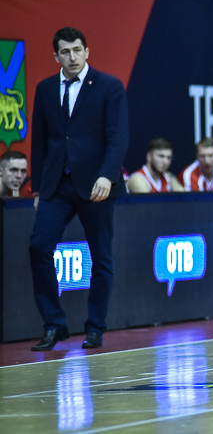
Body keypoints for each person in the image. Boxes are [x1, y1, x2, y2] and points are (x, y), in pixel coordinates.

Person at [29, 27, 129, 351]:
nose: (72, 57)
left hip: (96, 184)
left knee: (101, 257)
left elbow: (118, 137)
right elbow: (40, 141)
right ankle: (54, 324)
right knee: (38, 246)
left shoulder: (109, 86)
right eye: (65, 52)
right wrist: (37, 188)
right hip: (56, 184)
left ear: (87, 51)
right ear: (55, 56)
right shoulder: (45, 89)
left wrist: (107, 175)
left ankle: (95, 327)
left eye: (77, 50)